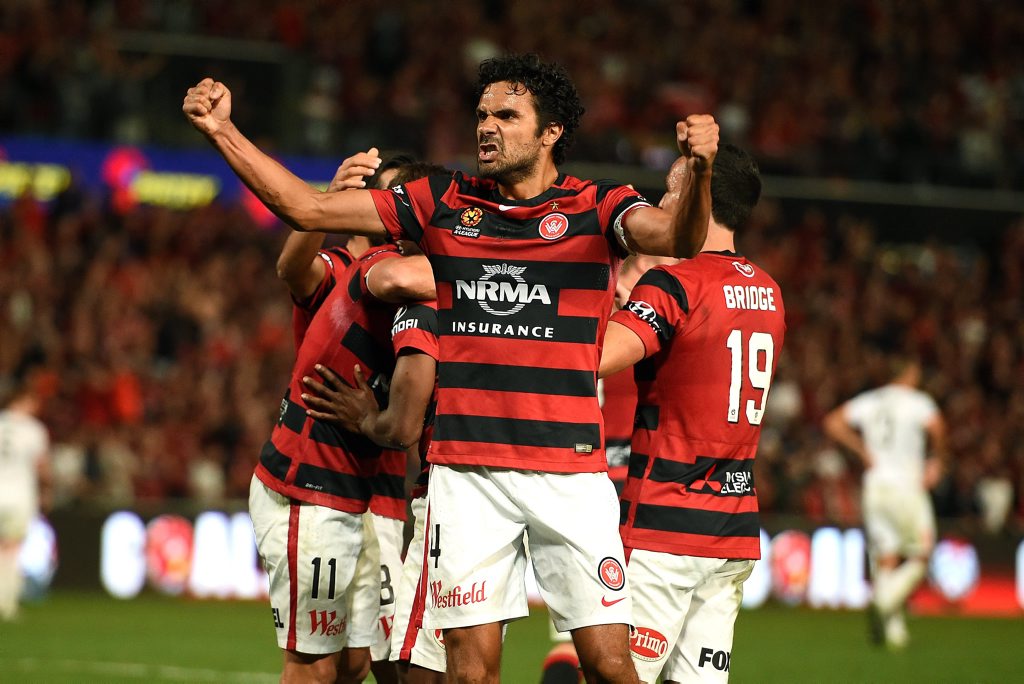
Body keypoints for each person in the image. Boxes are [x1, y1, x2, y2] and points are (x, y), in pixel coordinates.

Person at [184, 52, 718, 681]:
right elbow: (307, 210)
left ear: (551, 133)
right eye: (482, 114)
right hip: (466, 476)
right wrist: (222, 130)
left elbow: (679, 241)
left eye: (507, 115)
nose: (486, 126)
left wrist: (701, 170)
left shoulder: (598, 206)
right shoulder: (441, 201)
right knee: (467, 672)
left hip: (568, 472)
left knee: (608, 664)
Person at [600, 144, 785, 683]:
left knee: (619, 676)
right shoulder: (770, 293)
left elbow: (599, 359)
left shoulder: (674, 283)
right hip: (732, 528)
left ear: (697, 197)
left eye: (672, 188)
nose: (661, 200)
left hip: (665, 525)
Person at [275, 149, 436, 684]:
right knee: (329, 658)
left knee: (365, 659)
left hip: (386, 485)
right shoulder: (350, 269)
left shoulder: (419, 282)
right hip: (324, 468)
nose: (382, 207)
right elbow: (291, 269)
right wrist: (324, 201)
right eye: (376, 196)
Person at [304, 299, 446, 684]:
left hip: (395, 499)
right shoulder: (347, 288)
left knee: (398, 657)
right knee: (368, 659)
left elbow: (401, 430)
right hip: (352, 494)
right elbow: (293, 271)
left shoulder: (415, 299)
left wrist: (368, 419)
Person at [823, 356, 947, 650]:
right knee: (922, 553)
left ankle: (894, 633)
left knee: (887, 557)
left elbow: (832, 422)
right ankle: (884, 600)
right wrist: (936, 460)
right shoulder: (919, 402)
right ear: (910, 372)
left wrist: (862, 450)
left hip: (875, 485)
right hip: (906, 486)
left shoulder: (871, 400)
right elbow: (937, 428)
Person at [0, 371, 52, 622]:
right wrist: (47, 493)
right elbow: (43, 468)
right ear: (26, 400)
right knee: (11, 549)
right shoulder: (34, 430)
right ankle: (7, 602)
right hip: (19, 496)